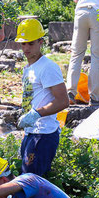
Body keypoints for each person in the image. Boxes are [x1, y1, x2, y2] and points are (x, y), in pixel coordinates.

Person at [15, 18, 69, 176]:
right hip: (32, 131)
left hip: (43, 134)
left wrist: (36, 114)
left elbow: (63, 101)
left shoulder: (48, 67)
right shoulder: (29, 68)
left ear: (41, 42)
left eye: (31, 43)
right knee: (26, 177)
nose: (26, 48)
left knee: (31, 181)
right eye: (23, 43)